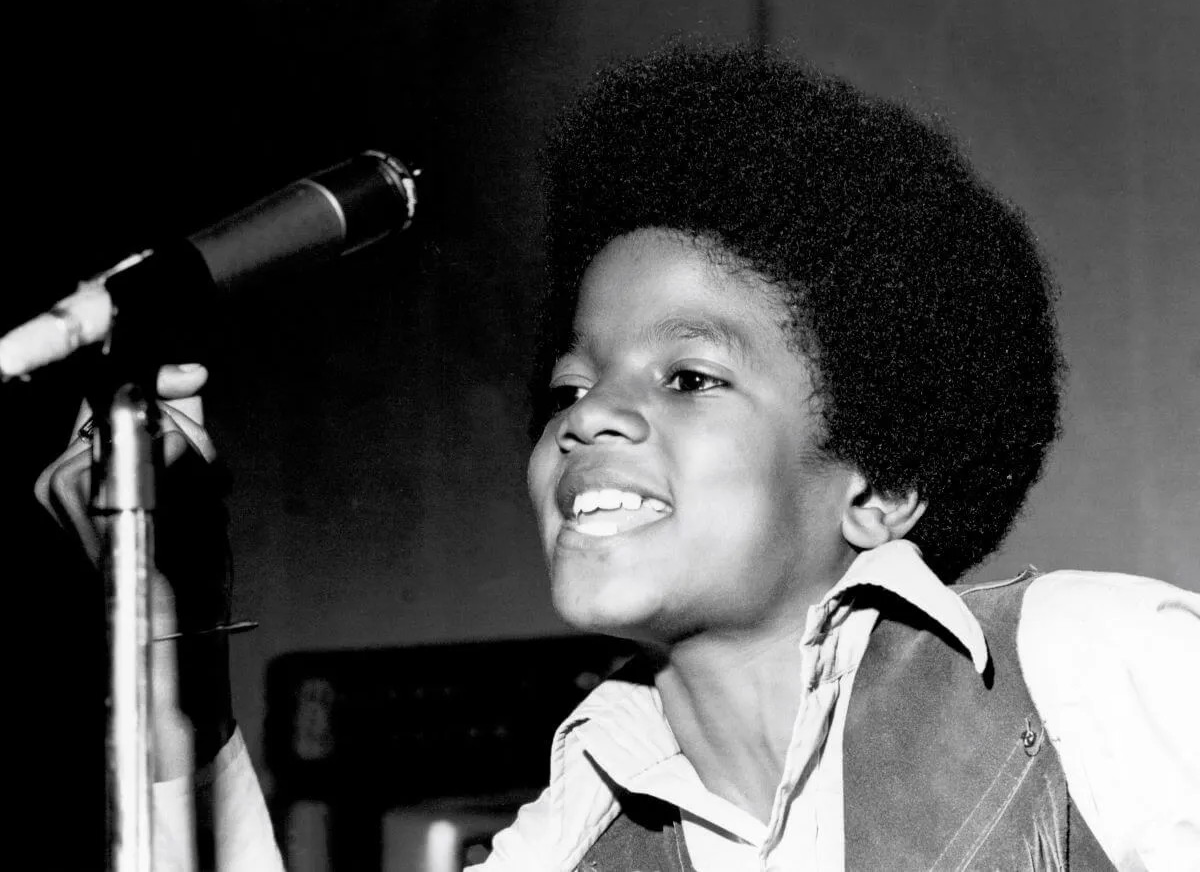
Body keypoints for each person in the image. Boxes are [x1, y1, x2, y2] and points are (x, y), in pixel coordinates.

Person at [38, 42, 1198, 871]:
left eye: (688, 376)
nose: (586, 419)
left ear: (881, 489)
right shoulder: (579, 822)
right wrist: (171, 637)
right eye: (569, 386)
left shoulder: (1088, 666)